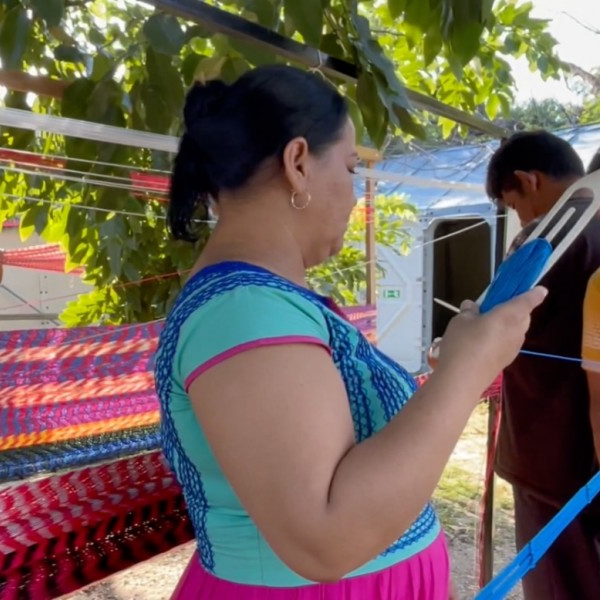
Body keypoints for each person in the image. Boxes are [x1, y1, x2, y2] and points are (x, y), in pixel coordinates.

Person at [153, 64, 545, 600]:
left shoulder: (265, 304)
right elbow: (324, 539)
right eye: (351, 167)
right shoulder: (242, 311)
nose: (357, 193)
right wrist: (467, 369)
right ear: (297, 164)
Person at [485, 131, 600, 600]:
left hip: (548, 454)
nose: (520, 219)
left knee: (555, 579)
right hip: (587, 454)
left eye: (513, 206)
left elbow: (489, 331)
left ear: (528, 181)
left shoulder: (548, 237)